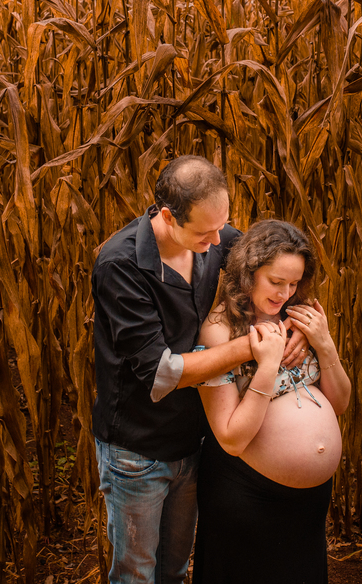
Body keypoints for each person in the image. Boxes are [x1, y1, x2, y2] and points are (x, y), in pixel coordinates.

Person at [91, 156, 309, 584]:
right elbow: (163, 372)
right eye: (205, 232)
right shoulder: (121, 266)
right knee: (136, 575)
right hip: (138, 449)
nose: (219, 241)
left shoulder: (215, 234)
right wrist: (255, 346)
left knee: (174, 571)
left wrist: (298, 321)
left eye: (223, 225)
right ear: (167, 215)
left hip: (192, 441)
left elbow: (273, 272)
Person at [191, 220, 351, 584]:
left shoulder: (299, 315)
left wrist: (324, 343)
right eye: (275, 281)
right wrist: (266, 366)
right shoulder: (219, 331)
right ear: (248, 273)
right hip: (248, 496)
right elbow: (230, 437)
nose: (285, 293)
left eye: (294, 283)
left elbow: (339, 403)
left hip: (308, 504)